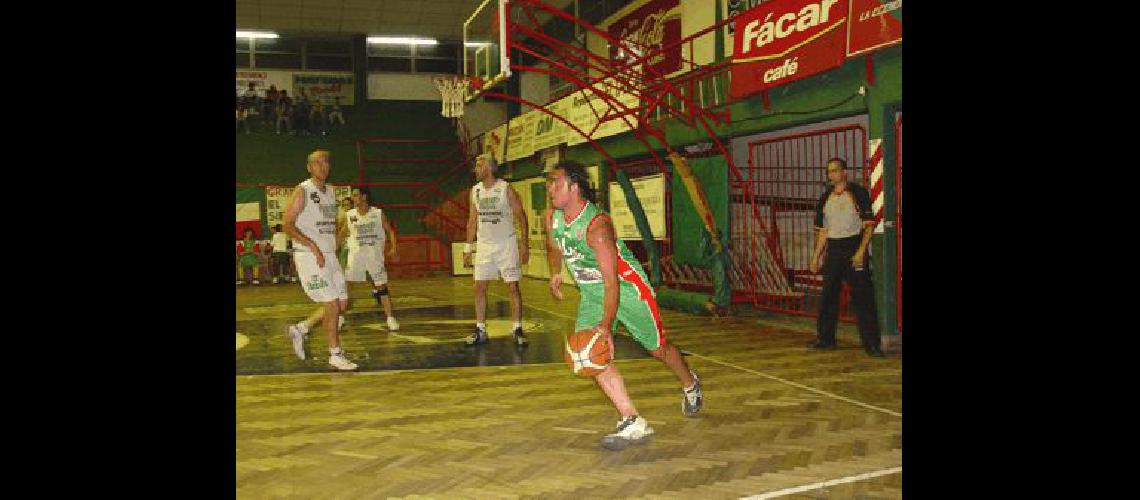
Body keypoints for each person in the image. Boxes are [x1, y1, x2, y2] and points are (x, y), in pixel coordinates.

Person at [544, 160, 703, 450]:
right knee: (588, 354)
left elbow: (612, 283)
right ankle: (631, 419)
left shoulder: (597, 227)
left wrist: (605, 327)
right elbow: (553, 247)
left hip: (628, 289)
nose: (549, 187)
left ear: (574, 187)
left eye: (556, 181)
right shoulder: (552, 217)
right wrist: (555, 272)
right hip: (592, 293)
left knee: (658, 349)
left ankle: (690, 382)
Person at [282, 150, 356, 371]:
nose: (323, 166)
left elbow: (327, 225)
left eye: (326, 162)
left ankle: (302, 328)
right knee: (332, 305)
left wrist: (338, 238)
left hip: (329, 254)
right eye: (318, 163)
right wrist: (312, 246)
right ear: (309, 167)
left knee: (342, 303)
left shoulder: (331, 192)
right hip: (310, 256)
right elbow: (287, 225)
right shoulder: (303, 191)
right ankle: (335, 354)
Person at [807, 157, 884, 358]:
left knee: (863, 298)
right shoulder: (825, 198)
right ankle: (825, 339)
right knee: (828, 296)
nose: (831, 175)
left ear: (844, 172)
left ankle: (872, 345)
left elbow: (869, 225)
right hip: (834, 249)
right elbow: (822, 231)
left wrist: (860, 252)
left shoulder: (857, 193)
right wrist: (815, 257)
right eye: (829, 171)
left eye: (834, 170)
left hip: (853, 246)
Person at [462, 154, 529, 347]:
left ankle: (517, 328)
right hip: (484, 246)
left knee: (513, 287)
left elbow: (521, 217)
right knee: (479, 288)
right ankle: (480, 329)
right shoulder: (475, 191)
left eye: (478, 165)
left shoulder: (505, 189)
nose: (475, 169)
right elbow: (472, 221)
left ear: (488, 168)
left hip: (506, 244)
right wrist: (468, 249)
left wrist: (525, 244)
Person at [341, 186, 400, 331]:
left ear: (364, 197)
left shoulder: (378, 213)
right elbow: (342, 233)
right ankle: (340, 317)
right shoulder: (350, 215)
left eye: (355, 195)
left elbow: (390, 230)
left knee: (381, 286)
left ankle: (390, 318)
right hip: (356, 256)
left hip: (374, 256)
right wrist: (329, 250)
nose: (353, 198)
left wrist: (394, 247)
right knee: (347, 286)